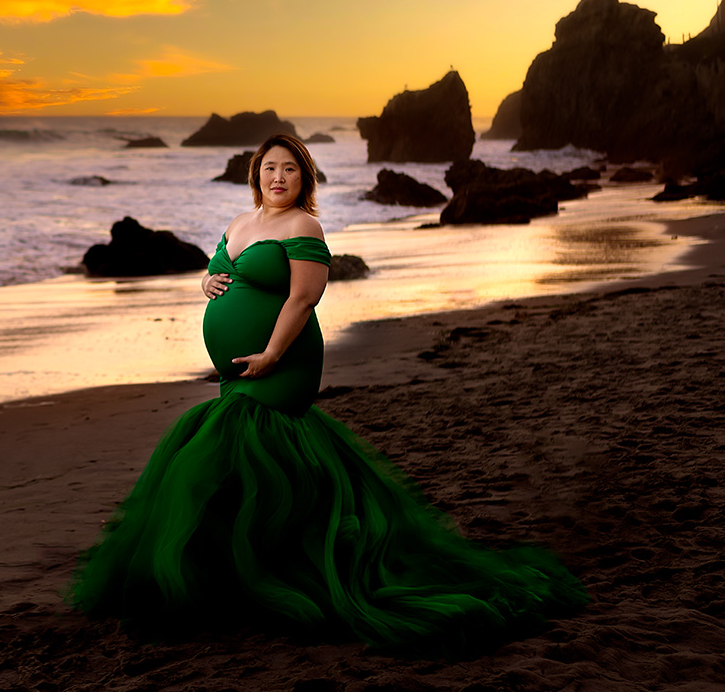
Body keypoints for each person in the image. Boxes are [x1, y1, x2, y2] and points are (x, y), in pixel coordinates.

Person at [69, 134, 587, 653]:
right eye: (269, 167)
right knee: (235, 460)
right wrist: (208, 284)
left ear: (304, 178)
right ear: (256, 175)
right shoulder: (240, 223)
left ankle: (281, 573)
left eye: (289, 169)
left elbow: (302, 300)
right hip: (236, 372)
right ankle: (237, 577)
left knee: (252, 447)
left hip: (283, 362)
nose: (278, 177)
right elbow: (216, 271)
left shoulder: (304, 226)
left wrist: (271, 355)